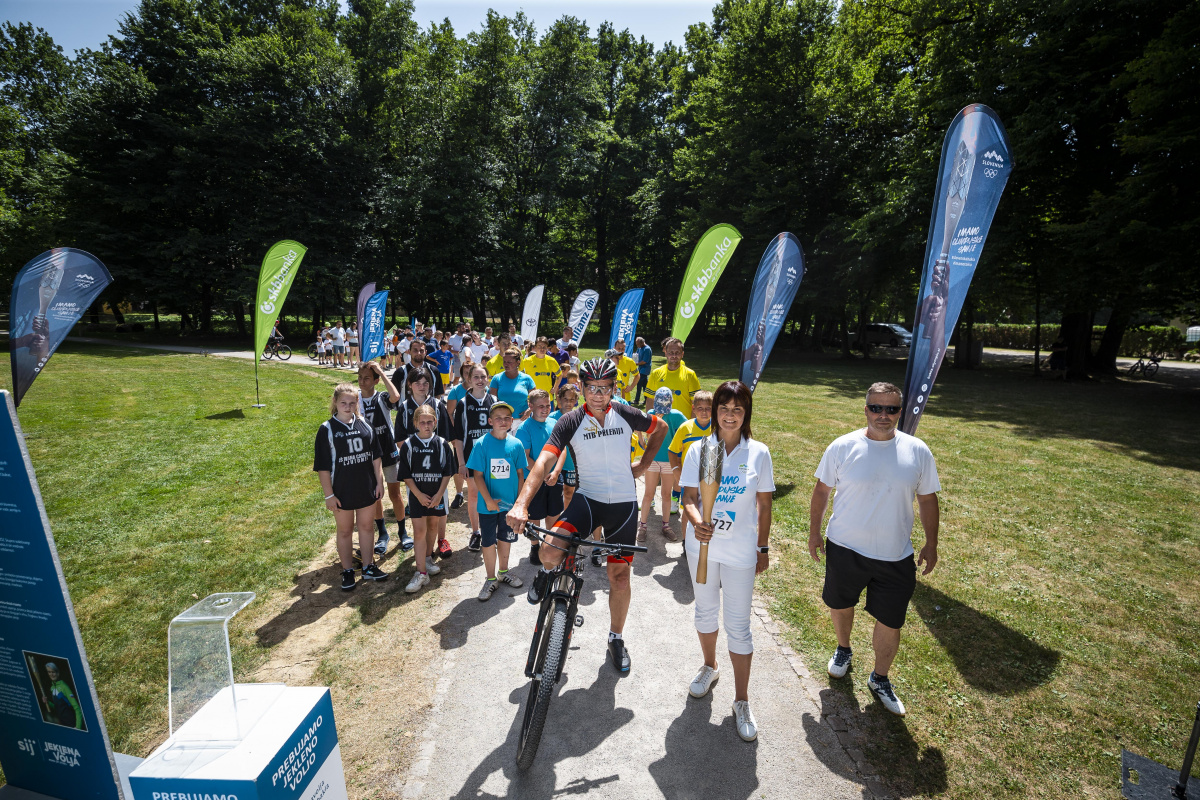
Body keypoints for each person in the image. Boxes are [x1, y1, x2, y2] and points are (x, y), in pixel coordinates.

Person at [508, 358, 667, 673]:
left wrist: (645, 463)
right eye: (591, 387)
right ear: (581, 387)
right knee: (548, 551)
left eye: (605, 388)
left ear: (613, 388)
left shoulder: (624, 412)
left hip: (623, 505)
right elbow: (543, 462)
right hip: (588, 500)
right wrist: (521, 504)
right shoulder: (570, 420)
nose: (598, 394)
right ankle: (546, 574)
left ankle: (616, 638)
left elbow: (660, 427)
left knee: (619, 577)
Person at [808, 381, 940, 717]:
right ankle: (843, 649)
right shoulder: (842, 446)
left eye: (891, 408)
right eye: (876, 407)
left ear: (900, 412)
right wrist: (814, 533)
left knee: (891, 620)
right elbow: (821, 491)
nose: (883, 414)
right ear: (865, 409)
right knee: (841, 603)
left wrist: (932, 543)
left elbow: (927, 499)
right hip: (845, 547)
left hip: (896, 555)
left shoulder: (917, 450)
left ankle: (880, 678)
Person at [679, 380, 775, 742]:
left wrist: (762, 548)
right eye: (724, 408)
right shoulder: (700, 450)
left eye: (737, 409)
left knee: (739, 625)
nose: (729, 415)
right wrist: (696, 521)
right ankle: (709, 666)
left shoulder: (758, 453)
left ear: (746, 413)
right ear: (715, 411)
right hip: (702, 548)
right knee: (704, 612)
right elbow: (689, 496)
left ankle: (741, 700)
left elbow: (764, 504)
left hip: (740, 551)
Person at [314, 383, 388, 591]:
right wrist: (329, 495)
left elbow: (376, 457)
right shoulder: (327, 429)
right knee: (345, 530)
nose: (348, 407)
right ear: (335, 402)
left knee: (366, 527)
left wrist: (379, 482)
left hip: (366, 486)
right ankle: (347, 570)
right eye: (343, 403)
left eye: (352, 403)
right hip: (341, 490)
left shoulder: (365, 424)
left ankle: (368, 566)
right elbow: (323, 467)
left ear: (357, 403)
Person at [466, 402, 528, 601]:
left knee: (506, 538)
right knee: (488, 541)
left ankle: (503, 571)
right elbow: (477, 476)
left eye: (507, 418)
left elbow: (520, 474)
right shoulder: (481, 444)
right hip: (488, 506)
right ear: (490, 421)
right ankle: (490, 578)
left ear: (511, 421)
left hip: (509, 507)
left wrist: (519, 503)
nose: (503, 421)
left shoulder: (516, 444)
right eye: (498, 418)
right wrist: (488, 500)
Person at [399, 405, 459, 593]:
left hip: (436, 495)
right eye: (422, 422)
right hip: (418, 496)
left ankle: (427, 558)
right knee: (419, 531)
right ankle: (421, 573)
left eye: (430, 422)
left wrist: (440, 494)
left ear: (435, 422)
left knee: (433, 526)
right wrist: (417, 494)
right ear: (415, 423)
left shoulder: (442, 444)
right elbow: (406, 474)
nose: (426, 425)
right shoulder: (409, 445)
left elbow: (447, 472)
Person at [356, 363, 409, 555]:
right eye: (360, 378)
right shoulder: (355, 399)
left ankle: (403, 532)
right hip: (368, 455)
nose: (362, 382)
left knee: (395, 494)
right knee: (376, 495)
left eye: (367, 378)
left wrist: (381, 372)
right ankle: (383, 534)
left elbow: (395, 396)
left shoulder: (381, 397)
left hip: (388, 451)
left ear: (376, 380)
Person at [516, 389, 562, 567]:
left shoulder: (554, 423)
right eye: (540, 406)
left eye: (548, 405)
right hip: (535, 479)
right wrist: (542, 474)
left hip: (554, 477)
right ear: (531, 406)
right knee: (535, 515)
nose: (545, 409)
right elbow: (525, 457)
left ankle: (551, 542)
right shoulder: (524, 428)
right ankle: (535, 545)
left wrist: (556, 472)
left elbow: (562, 450)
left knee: (553, 512)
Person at [452, 364, 495, 551]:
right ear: (468, 379)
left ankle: (491, 531)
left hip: (492, 457)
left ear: (488, 378)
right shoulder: (463, 403)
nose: (479, 380)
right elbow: (458, 437)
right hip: (472, 457)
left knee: (493, 494)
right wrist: (461, 463)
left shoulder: (494, 401)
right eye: (475, 377)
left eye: (483, 377)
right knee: (474, 494)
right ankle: (476, 532)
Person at [638, 387, 686, 543]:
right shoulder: (651, 413)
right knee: (648, 493)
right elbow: (641, 429)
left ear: (671, 402)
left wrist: (682, 448)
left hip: (669, 461)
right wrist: (642, 438)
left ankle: (666, 526)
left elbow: (687, 429)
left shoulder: (677, 415)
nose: (662, 411)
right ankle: (642, 526)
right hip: (651, 459)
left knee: (666, 494)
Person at [667, 390, 713, 516]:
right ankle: (687, 531)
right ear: (693, 408)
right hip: (689, 478)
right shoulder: (685, 428)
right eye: (700, 408)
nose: (704, 412)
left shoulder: (717, 428)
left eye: (708, 408)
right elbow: (672, 451)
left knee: (709, 511)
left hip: (711, 478)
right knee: (689, 511)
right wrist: (676, 470)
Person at [647, 337, 700, 416]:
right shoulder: (656, 373)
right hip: (661, 422)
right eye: (671, 352)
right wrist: (650, 420)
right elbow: (650, 399)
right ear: (665, 353)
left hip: (683, 422)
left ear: (682, 354)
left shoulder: (690, 375)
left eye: (677, 352)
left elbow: (696, 403)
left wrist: (691, 422)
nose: (674, 355)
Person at [489, 347, 537, 419]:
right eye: (504, 361)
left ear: (518, 362)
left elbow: (536, 399)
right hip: (502, 421)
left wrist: (529, 410)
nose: (506, 364)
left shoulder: (527, 378)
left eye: (509, 362)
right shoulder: (496, 379)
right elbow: (492, 402)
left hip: (523, 420)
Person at [43, 662, 83, 729]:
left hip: (71, 723)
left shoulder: (64, 687)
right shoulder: (52, 688)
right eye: (49, 672)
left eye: (53, 672)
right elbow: (58, 708)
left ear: (57, 673)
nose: (51, 674)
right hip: (62, 724)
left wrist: (78, 727)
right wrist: (47, 702)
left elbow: (77, 708)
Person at [633, 336, 653, 406]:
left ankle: (636, 400)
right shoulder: (639, 348)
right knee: (645, 386)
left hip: (645, 369)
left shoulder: (647, 349)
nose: (637, 345)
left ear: (642, 343)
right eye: (636, 344)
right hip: (640, 368)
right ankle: (647, 400)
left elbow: (644, 361)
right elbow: (636, 355)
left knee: (639, 384)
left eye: (638, 344)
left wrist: (636, 364)